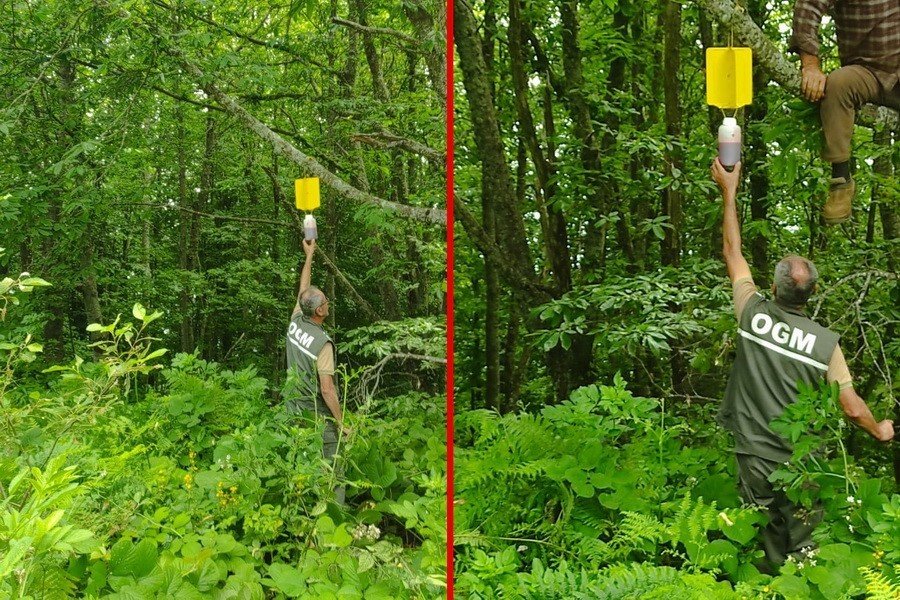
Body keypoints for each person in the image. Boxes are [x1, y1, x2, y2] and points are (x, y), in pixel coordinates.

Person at [711, 158, 894, 566]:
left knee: (761, 533)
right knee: (804, 540)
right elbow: (850, 406)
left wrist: (729, 189)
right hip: (802, 459)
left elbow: (732, 251)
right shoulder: (826, 344)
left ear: (773, 286)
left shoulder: (750, 311)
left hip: (754, 454)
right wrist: (878, 428)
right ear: (811, 293)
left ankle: (765, 583)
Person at [791, 0, 900, 224]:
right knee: (838, 84)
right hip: (867, 71)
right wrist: (810, 65)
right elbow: (808, 7)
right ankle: (840, 180)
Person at [285, 238, 348, 504]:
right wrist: (343, 423)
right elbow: (327, 389)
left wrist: (309, 255)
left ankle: (303, 514)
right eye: (326, 300)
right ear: (320, 310)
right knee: (334, 466)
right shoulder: (324, 344)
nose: (328, 302)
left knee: (302, 467)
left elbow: (303, 289)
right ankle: (333, 522)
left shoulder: (296, 319)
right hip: (315, 415)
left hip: (292, 410)